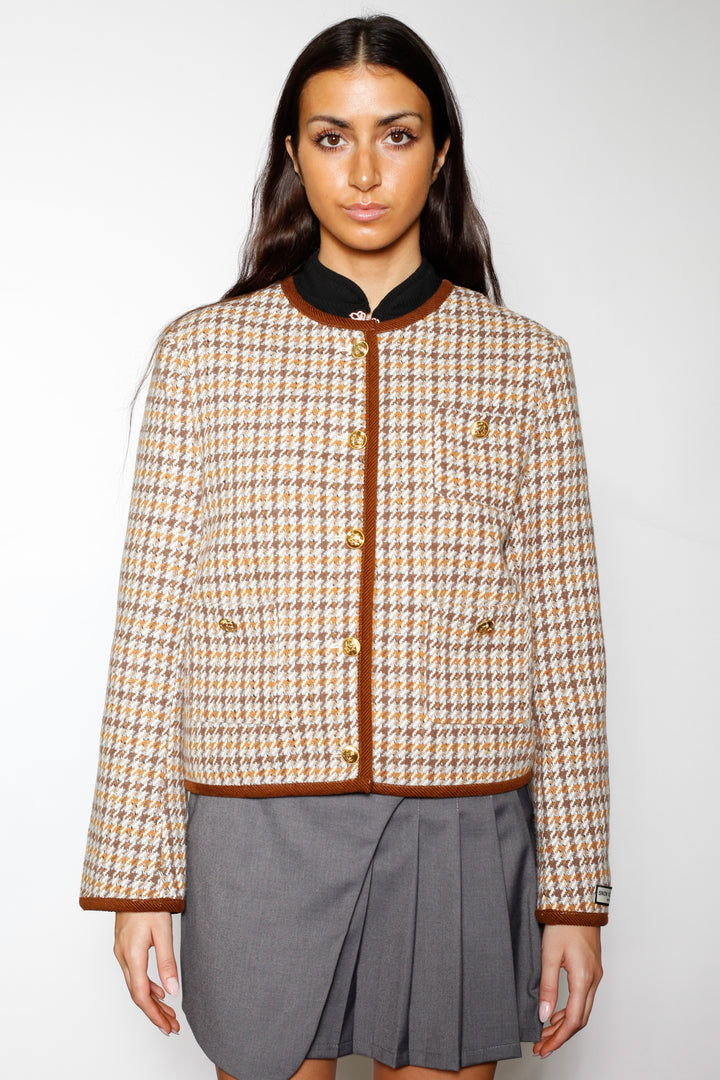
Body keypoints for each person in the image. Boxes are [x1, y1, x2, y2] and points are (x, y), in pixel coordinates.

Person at [79, 14, 611, 1080]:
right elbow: (152, 621)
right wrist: (138, 878)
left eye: (397, 135)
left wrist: (574, 897)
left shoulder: (526, 363)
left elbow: (567, 636)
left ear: (441, 153)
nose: (364, 171)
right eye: (332, 137)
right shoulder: (203, 355)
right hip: (256, 816)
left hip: (457, 813)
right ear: (294, 152)